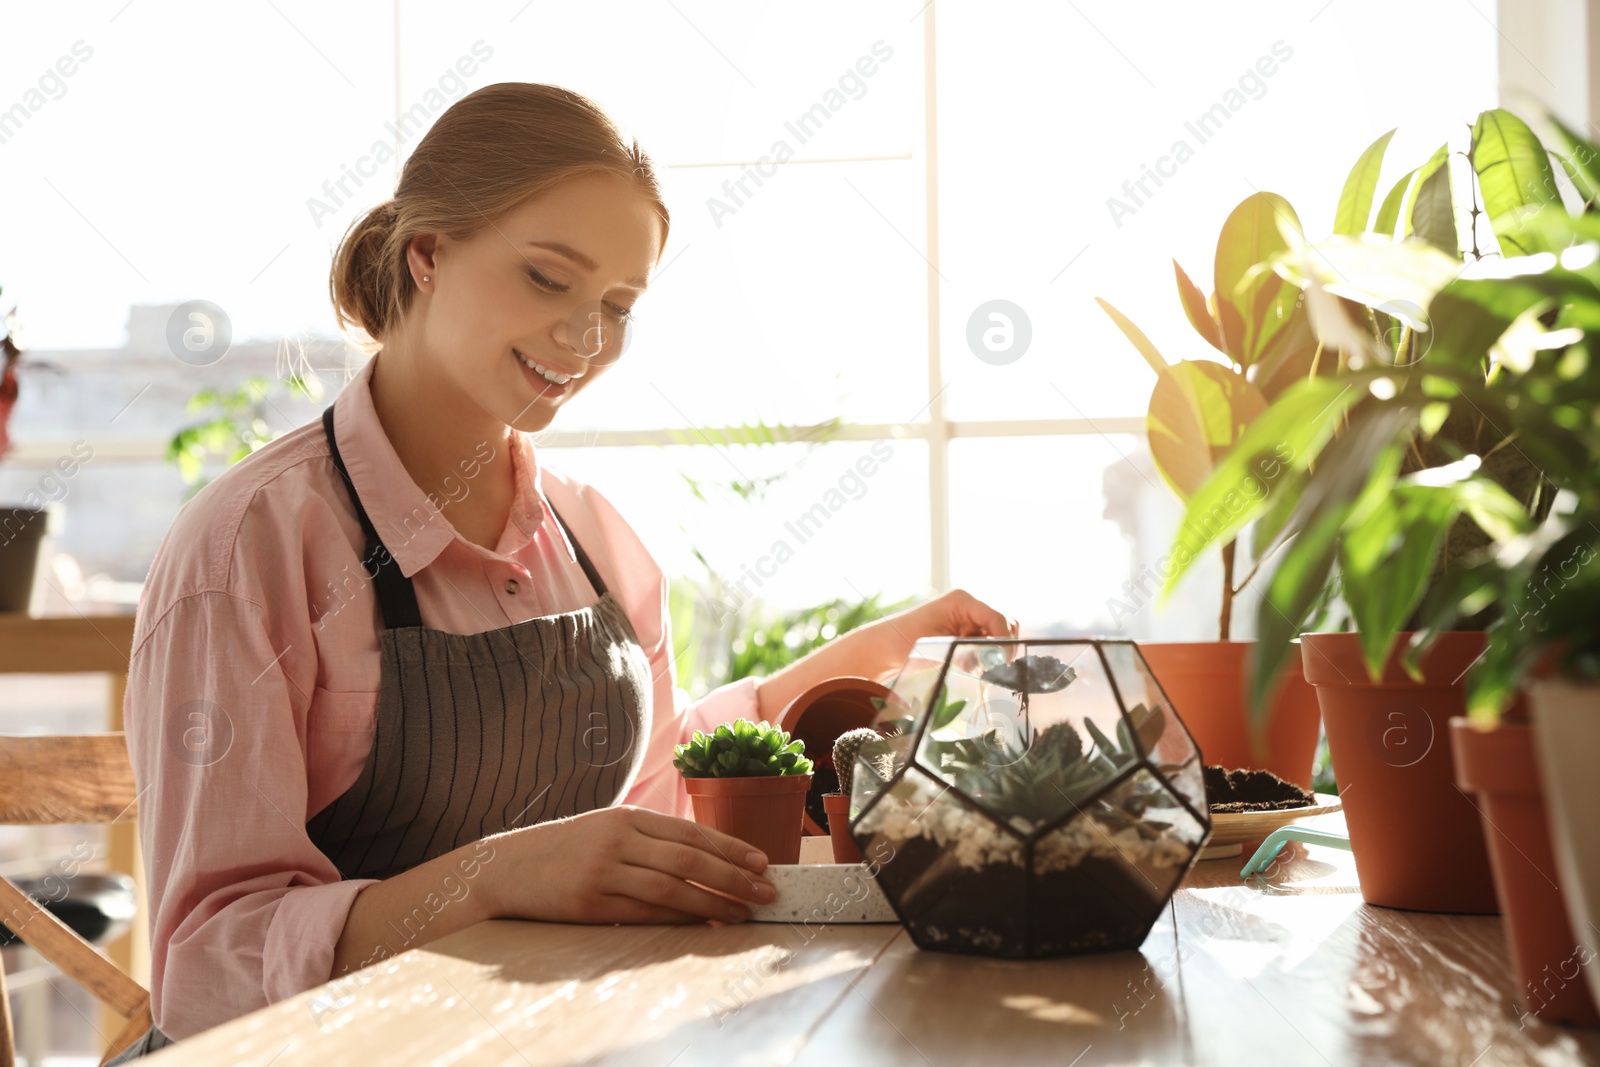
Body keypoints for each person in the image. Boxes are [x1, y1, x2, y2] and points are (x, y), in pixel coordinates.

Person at [106, 82, 1010, 1060]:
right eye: (548, 279)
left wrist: (867, 657)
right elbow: (207, 963)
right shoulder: (251, 545)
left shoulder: (593, 534)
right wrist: (491, 878)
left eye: (617, 306)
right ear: (428, 253)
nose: (586, 341)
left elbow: (654, 796)